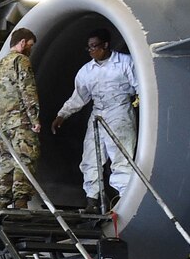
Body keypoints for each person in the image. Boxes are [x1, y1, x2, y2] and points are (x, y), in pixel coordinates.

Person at [53, 28, 139, 212]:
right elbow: (79, 97)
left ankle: (124, 198)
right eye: (89, 47)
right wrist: (62, 115)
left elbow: (140, 87)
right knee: (90, 158)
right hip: (97, 113)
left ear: (106, 45)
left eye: (94, 46)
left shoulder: (125, 63)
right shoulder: (86, 71)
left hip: (119, 110)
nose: (91, 50)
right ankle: (93, 199)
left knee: (121, 156)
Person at [0, 26, 40, 208]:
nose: (30, 49)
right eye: (30, 45)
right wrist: (35, 119)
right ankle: (20, 203)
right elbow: (27, 91)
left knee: (7, 164)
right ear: (22, 43)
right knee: (26, 158)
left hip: (5, 126)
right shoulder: (21, 61)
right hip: (22, 122)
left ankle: (0, 203)